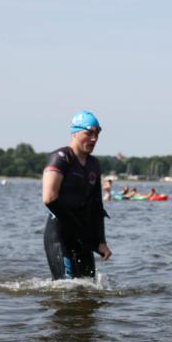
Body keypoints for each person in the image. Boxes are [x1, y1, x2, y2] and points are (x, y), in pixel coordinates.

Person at [41, 110, 111, 280]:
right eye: (89, 133)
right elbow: (49, 198)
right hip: (60, 233)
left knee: (88, 287)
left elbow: (96, 205)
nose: (94, 138)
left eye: (97, 133)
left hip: (82, 234)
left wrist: (100, 241)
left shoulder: (94, 164)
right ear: (75, 133)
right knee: (65, 288)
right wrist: (79, 228)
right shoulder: (60, 158)